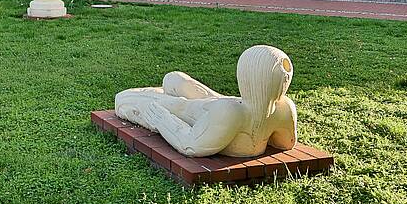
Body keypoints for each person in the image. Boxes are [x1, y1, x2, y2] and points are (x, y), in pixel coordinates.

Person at [114, 44, 298, 158]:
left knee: (122, 99)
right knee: (173, 78)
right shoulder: (284, 108)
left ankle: (162, 95)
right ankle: (166, 90)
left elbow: (191, 145)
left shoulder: (232, 113)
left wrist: (160, 119)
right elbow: (286, 143)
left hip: (196, 108)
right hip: (220, 103)